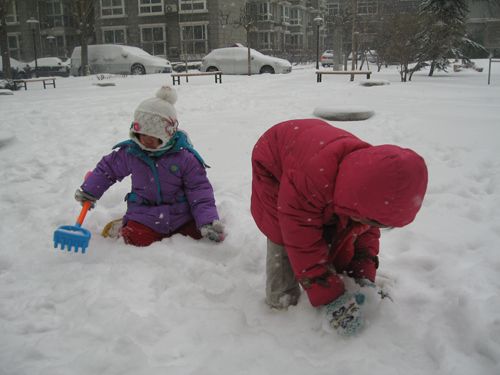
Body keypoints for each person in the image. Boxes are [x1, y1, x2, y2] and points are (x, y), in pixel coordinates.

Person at [251, 118, 428, 336]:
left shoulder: (369, 182)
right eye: (374, 222)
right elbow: (301, 239)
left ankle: (335, 278)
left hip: (315, 163)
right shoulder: (312, 179)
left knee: (341, 228)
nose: (372, 226)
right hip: (273, 163)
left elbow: (365, 234)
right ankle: (281, 303)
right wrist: (330, 296)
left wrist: (362, 276)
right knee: (283, 232)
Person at [75, 85, 224, 246]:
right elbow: (107, 169)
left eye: (154, 136)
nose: (146, 140)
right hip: (144, 214)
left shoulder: (184, 157)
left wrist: (207, 220)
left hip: (180, 214)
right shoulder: (131, 153)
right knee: (135, 239)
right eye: (142, 135)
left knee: (198, 236)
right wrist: (90, 191)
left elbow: (199, 190)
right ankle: (123, 226)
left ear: (169, 133)